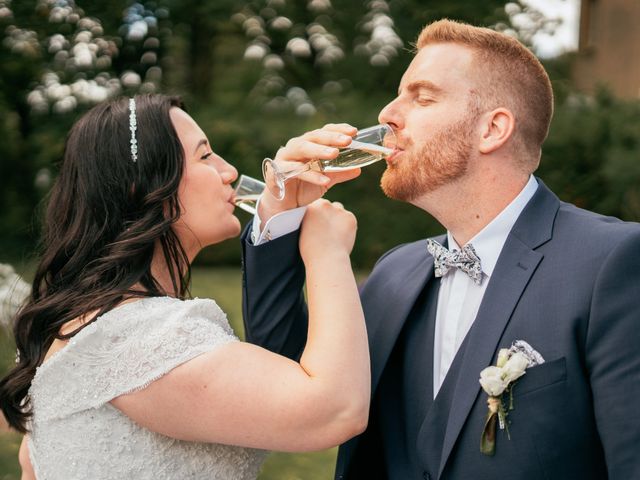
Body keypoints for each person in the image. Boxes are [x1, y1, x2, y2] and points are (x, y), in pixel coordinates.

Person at [241, 19, 640, 480]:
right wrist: (279, 214)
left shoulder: (614, 263)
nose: (387, 114)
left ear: (492, 129)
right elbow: (291, 383)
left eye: (422, 97)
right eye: (397, 95)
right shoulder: (396, 272)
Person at [0, 94, 371, 480]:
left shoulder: (87, 330)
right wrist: (326, 251)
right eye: (206, 156)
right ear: (143, 187)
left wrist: (281, 216)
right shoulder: (134, 338)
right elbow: (336, 409)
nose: (229, 172)